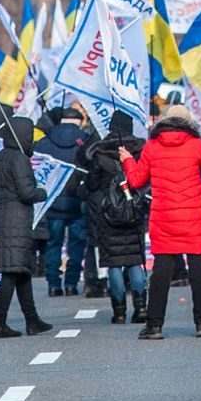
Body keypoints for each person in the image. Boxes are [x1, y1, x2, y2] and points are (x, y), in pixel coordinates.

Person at [120, 104, 201, 340]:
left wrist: (127, 160)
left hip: (164, 216)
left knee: (161, 274)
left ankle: (154, 325)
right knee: (199, 272)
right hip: (194, 217)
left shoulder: (152, 147)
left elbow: (135, 181)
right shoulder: (197, 144)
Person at [73, 113, 148, 326]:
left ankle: (120, 311)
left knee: (114, 263)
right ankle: (141, 307)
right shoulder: (139, 151)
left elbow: (91, 185)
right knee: (135, 259)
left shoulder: (100, 153)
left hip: (108, 215)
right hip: (134, 211)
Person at [0, 116, 52, 340]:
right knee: (11, 272)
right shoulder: (19, 159)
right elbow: (27, 193)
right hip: (16, 219)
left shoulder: (0, 157)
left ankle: (32, 320)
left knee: (21, 270)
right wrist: (42, 192)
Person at [40, 107, 90, 297]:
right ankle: (71, 283)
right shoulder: (84, 141)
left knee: (53, 243)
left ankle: (53, 284)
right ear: (79, 120)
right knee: (76, 244)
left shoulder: (45, 142)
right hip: (77, 201)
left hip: (52, 200)